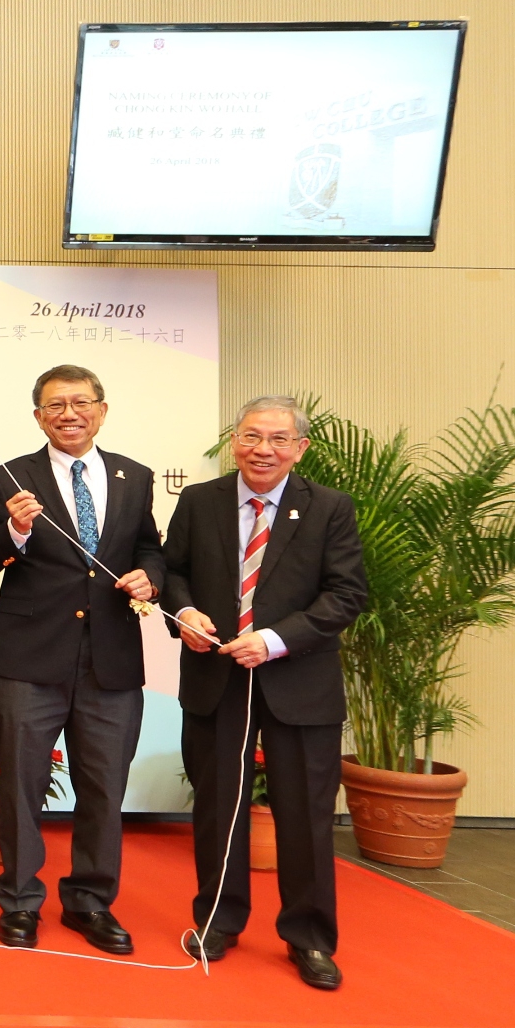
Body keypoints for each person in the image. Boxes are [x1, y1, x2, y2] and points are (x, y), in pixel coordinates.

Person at [164, 396, 368, 990]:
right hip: (215, 677)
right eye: (253, 437)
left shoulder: (329, 507)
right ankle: (219, 922)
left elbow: (345, 594)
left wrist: (276, 640)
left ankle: (308, 937)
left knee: (304, 817)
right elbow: (173, 570)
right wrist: (186, 611)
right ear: (235, 441)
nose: (263, 450)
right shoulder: (200, 501)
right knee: (217, 807)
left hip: (298, 684)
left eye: (279, 440)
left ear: (300, 448)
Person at [0, 364, 164, 953]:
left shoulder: (136, 476)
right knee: (23, 786)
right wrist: (15, 529)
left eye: (81, 402)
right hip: (28, 659)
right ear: (38, 416)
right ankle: (21, 900)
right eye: (55, 405)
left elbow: (149, 549)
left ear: (102, 410)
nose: (69, 414)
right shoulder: (12, 476)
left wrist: (149, 580)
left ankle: (89, 901)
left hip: (110, 663)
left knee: (104, 786)